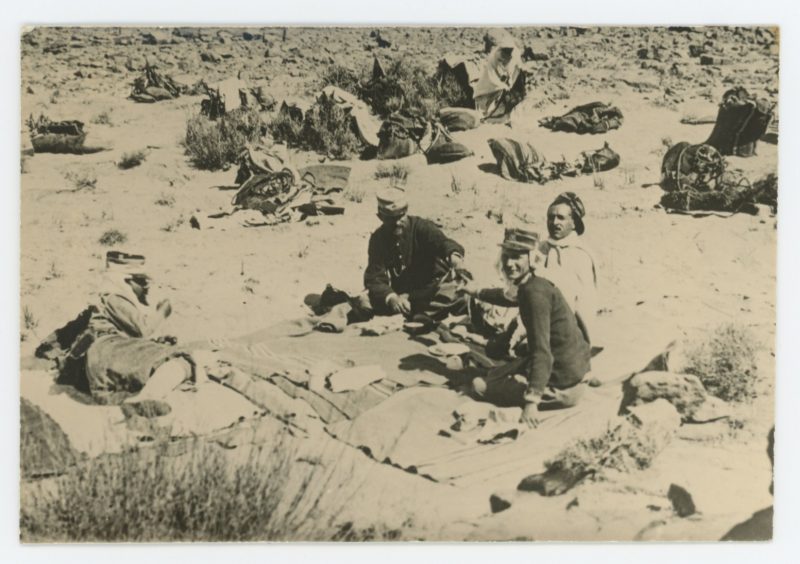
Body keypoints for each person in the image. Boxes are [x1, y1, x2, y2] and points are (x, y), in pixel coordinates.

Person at [461, 228, 591, 427]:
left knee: (479, 385)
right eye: (506, 256)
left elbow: (542, 351)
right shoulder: (535, 283)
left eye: (517, 257)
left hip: (564, 387)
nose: (509, 264)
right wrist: (476, 291)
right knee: (496, 372)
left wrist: (532, 402)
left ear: (531, 258)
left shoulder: (534, 295)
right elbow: (507, 297)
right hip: (575, 370)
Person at [43, 252, 197, 405]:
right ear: (124, 281)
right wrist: (163, 311)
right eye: (141, 281)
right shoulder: (114, 298)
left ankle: (147, 397)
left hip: (101, 354)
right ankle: (148, 398)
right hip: (109, 348)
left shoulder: (107, 299)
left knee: (173, 359)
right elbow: (142, 329)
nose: (146, 287)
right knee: (181, 360)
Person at [364, 187, 469, 322]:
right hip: (402, 298)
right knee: (365, 300)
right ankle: (421, 314)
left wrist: (455, 258)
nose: (397, 223)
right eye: (391, 219)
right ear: (380, 217)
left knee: (455, 294)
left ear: (406, 211)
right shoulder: (378, 239)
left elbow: (443, 243)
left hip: (431, 291)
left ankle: (423, 314)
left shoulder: (421, 227)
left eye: (401, 217)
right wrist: (391, 298)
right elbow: (374, 277)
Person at [540, 192, 599, 344]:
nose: (554, 222)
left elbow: (583, 304)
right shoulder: (542, 249)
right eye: (551, 217)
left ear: (574, 223)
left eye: (561, 218)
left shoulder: (579, 255)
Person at [472, 32, 523, 119]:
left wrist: (510, 81)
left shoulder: (515, 55)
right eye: (505, 49)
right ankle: (488, 114)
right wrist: (502, 84)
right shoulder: (495, 56)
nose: (508, 51)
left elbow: (517, 68)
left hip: (506, 82)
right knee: (492, 96)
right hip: (490, 86)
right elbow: (492, 76)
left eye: (509, 49)